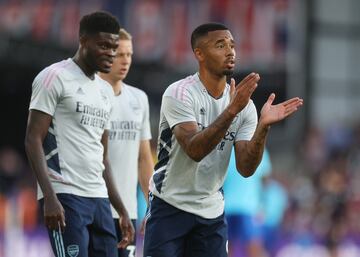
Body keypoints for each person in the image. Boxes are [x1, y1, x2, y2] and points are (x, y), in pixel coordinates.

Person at [143, 22, 303, 257]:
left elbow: (246, 168)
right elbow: (194, 149)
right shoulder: (179, 93)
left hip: (211, 212)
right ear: (199, 54)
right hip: (169, 206)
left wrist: (263, 128)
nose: (230, 51)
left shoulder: (245, 107)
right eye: (220, 45)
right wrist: (230, 112)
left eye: (232, 45)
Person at [24, 11, 135, 257]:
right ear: (83, 40)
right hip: (65, 197)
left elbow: (102, 157)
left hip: (99, 199)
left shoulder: (105, 91)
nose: (111, 53)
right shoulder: (54, 77)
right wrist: (50, 197)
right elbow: (33, 139)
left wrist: (121, 209)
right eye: (103, 45)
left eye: (114, 47)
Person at [99, 28, 154, 257]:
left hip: (127, 212)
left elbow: (144, 158)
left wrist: (151, 205)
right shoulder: (90, 95)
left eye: (129, 55)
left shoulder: (138, 99)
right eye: (119, 54)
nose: (125, 61)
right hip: (96, 209)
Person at [224, 148, 272, 257]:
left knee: (227, 247)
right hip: (249, 207)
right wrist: (263, 205)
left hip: (227, 207)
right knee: (253, 246)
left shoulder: (226, 148)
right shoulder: (258, 147)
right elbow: (265, 180)